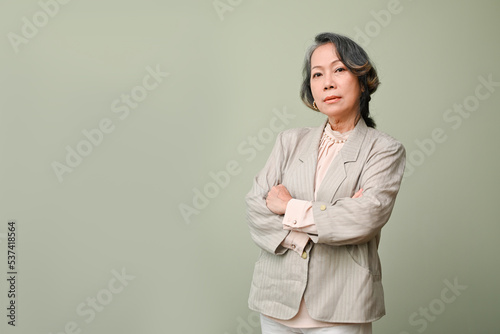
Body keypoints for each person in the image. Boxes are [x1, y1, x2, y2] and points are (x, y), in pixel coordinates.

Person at [245, 32, 406, 334]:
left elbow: (365, 217)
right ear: (312, 90)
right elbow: (256, 205)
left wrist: (288, 207)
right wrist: (311, 229)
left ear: (362, 80)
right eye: (317, 74)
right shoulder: (289, 141)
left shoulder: (384, 149)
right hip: (276, 299)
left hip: (342, 306)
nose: (327, 82)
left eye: (339, 69)